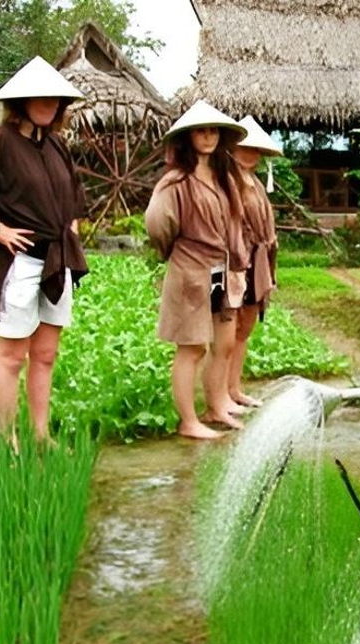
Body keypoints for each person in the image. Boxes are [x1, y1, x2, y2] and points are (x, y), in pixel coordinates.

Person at [0, 56, 87, 444]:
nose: (48, 103)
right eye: (39, 97)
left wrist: (70, 231)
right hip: (16, 263)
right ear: (20, 101)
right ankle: (7, 441)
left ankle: (40, 435)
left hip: (55, 261)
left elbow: (74, 196)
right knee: (11, 356)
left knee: (45, 355)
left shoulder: (57, 145)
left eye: (55, 98)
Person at [145, 100, 249, 440]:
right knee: (191, 346)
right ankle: (188, 421)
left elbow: (234, 224)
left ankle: (217, 405)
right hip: (190, 269)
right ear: (188, 138)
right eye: (201, 131)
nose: (208, 136)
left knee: (224, 340)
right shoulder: (177, 180)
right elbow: (158, 224)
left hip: (220, 268)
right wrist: (177, 250)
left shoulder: (223, 177)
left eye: (213, 130)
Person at [228, 115, 283, 407]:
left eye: (254, 149)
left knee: (246, 324)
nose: (249, 154)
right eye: (243, 147)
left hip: (258, 261)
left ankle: (234, 388)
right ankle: (222, 393)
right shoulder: (227, 181)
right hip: (236, 260)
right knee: (228, 326)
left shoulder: (257, 184)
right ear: (233, 149)